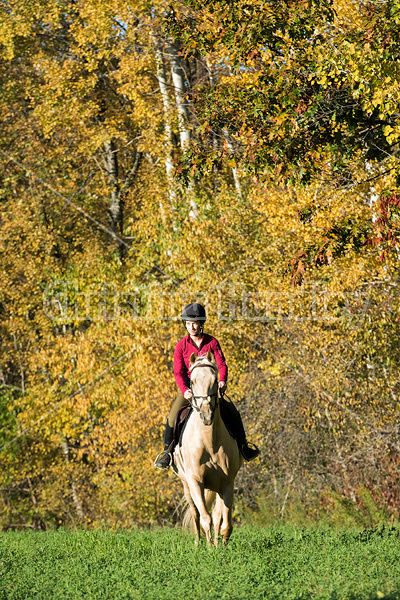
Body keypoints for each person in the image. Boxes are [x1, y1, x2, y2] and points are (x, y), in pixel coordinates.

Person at [154, 302, 260, 470]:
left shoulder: (212, 342)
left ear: (201, 324)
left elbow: (222, 364)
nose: (191, 327)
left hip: (210, 387)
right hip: (191, 387)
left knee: (232, 410)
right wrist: (185, 391)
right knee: (173, 414)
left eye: (194, 323)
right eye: (188, 323)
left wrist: (222, 380)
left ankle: (243, 446)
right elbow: (178, 372)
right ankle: (167, 452)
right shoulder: (181, 346)